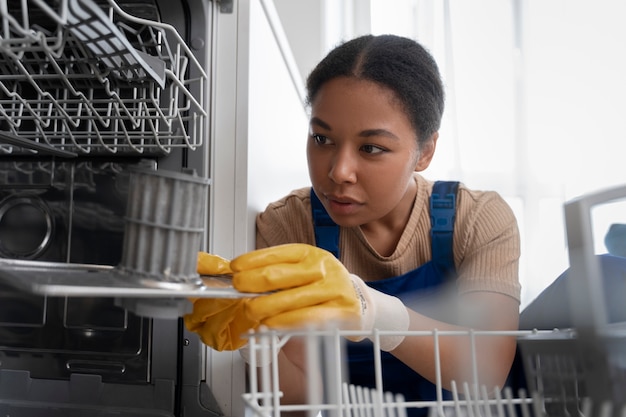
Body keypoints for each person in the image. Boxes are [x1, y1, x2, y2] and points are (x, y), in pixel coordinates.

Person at [185, 34, 521, 415]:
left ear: (425, 151)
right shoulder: (289, 224)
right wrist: (256, 345)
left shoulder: (476, 218)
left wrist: (373, 311)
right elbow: (299, 404)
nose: (338, 171)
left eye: (371, 148)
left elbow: (489, 369)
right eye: (322, 138)